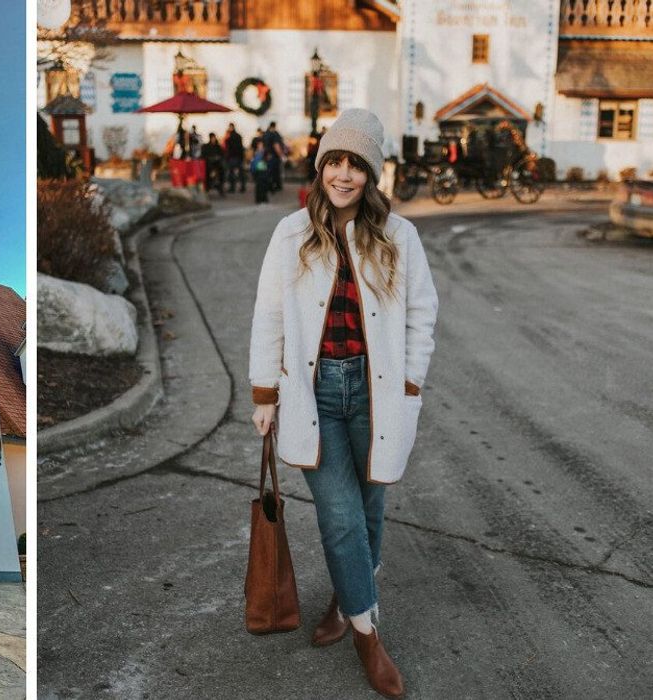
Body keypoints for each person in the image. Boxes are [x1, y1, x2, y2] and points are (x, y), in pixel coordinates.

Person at [247, 108, 438, 700]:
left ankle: (345, 597)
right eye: (335, 160)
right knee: (341, 515)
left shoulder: (399, 236)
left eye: (357, 164)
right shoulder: (291, 233)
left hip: (376, 393)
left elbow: (422, 315)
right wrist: (263, 392)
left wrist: (408, 383)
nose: (344, 174)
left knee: (371, 508)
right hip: (315, 393)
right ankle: (367, 636)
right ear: (320, 165)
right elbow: (271, 314)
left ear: (371, 174)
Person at [263, 121, 287, 192]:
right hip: (274, 156)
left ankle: (268, 186)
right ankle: (274, 187)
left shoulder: (266, 134)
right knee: (275, 172)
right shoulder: (274, 134)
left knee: (268, 172)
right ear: (274, 126)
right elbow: (276, 146)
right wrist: (281, 155)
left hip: (267, 155)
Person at [224, 123, 247, 193]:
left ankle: (232, 188)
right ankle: (242, 187)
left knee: (232, 173)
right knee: (240, 173)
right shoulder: (238, 136)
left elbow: (227, 147)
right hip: (239, 156)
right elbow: (241, 147)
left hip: (232, 157)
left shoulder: (229, 137)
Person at [250, 140, 270, 204]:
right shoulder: (256, 153)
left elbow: (267, 162)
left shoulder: (265, 153)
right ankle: (259, 199)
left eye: (261, 145)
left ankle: (264, 198)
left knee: (264, 185)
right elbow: (253, 163)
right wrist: (252, 171)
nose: (260, 146)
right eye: (259, 145)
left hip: (264, 171)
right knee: (259, 186)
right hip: (258, 171)